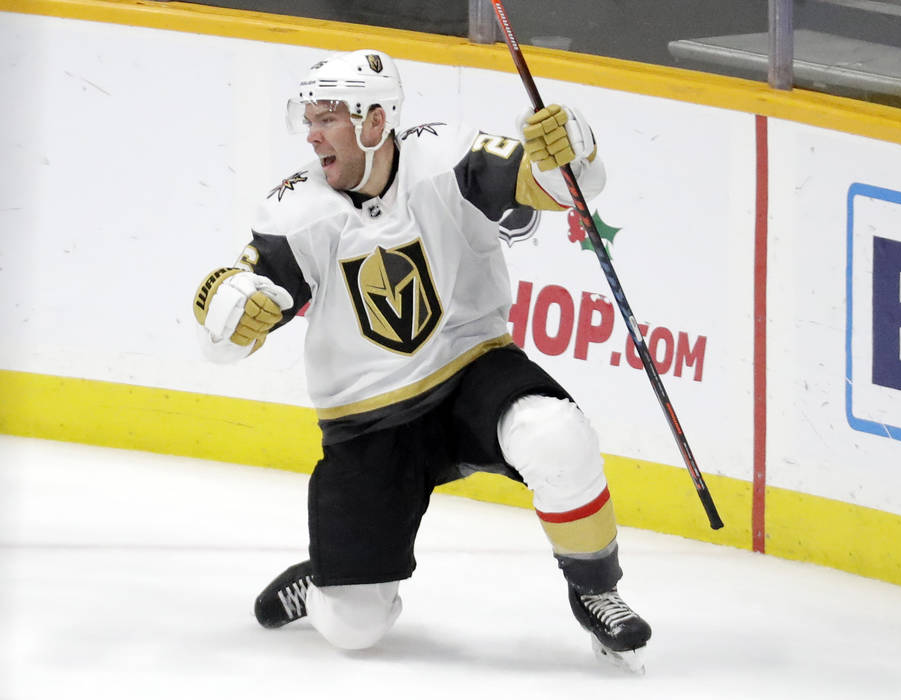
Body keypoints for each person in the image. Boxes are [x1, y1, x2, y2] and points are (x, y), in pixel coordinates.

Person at [191, 49, 651, 670]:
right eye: (308, 117)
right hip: (368, 418)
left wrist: (571, 151)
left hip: (471, 371)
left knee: (555, 431)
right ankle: (331, 577)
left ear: (375, 122)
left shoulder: (448, 158)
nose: (312, 132)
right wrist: (227, 310)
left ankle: (597, 590)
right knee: (354, 628)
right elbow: (244, 318)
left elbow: (553, 187)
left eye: (327, 117)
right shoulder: (295, 210)